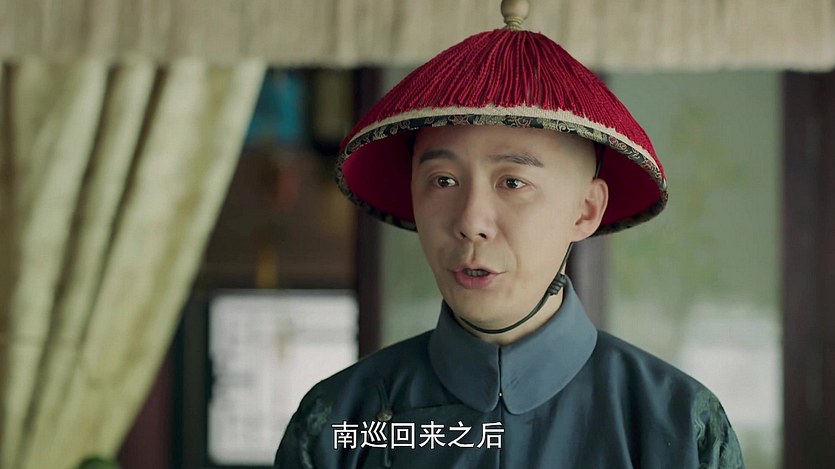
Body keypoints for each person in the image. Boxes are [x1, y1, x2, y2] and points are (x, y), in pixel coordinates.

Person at [275, 1, 744, 467]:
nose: (471, 220)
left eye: (513, 183)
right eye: (443, 181)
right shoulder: (337, 424)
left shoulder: (682, 428)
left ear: (585, 210)